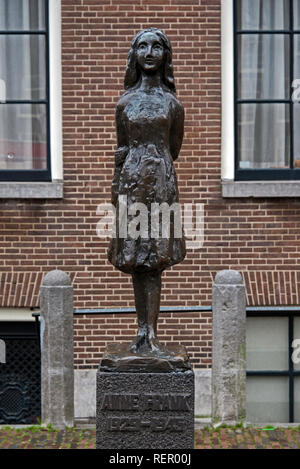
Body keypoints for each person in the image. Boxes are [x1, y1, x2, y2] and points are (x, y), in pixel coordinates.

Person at [108, 28, 186, 354]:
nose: (150, 52)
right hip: (131, 183)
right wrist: (117, 187)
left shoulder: (172, 104)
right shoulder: (124, 103)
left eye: (157, 46)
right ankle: (141, 329)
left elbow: (175, 147)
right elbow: (121, 148)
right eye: (143, 46)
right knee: (136, 257)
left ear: (165, 55)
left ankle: (150, 333)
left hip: (161, 183)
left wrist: (155, 167)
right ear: (135, 55)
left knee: (155, 258)